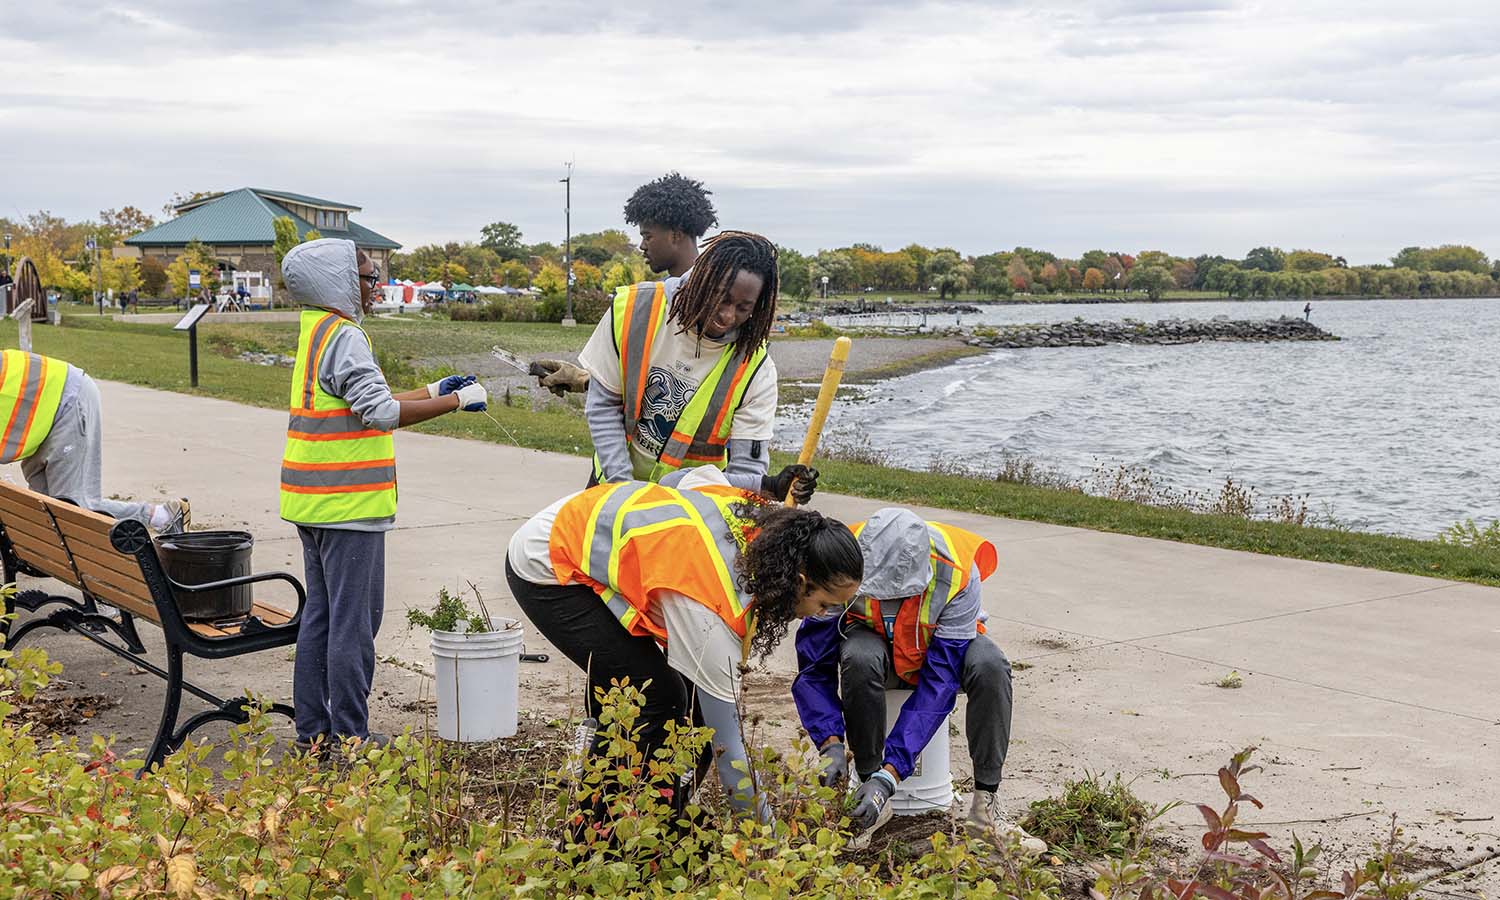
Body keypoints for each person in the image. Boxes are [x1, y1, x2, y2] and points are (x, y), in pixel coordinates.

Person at [505, 466, 863, 818]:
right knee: (652, 697)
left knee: (687, 702)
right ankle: (596, 834)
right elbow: (728, 750)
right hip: (549, 564)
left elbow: (680, 479)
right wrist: (764, 843)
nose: (819, 616)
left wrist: (767, 484)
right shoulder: (710, 611)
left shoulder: (765, 524)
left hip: (589, 524)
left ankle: (662, 818)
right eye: (823, 605)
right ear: (800, 581)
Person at [278, 238, 489, 751]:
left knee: (321, 621)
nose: (376, 287)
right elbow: (382, 414)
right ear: (340, 282)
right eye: (370, 278)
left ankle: (314, 735)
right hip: (349, 506)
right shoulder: (346, 336)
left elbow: (369, 401)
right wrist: (459, 401)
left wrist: (434, 390)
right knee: (354, 628)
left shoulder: (317, 329)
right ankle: (352, 739)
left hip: (312, 503)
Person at [791, 507, 1046, 853]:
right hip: (875, 648)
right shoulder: (841, 560)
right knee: (859, 658)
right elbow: (815, 666)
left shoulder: (957, 573)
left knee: (991, 666)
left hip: (938, 649)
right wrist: (830, 742)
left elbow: (938, 684)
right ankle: (868, 797)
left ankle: (986, 809)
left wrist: (891, 774)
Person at [545, 232, 815, 504]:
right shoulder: (633, 310)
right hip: (612, 486)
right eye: (721, 299)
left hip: (691, 507)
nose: (728, 316)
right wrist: (623, 493)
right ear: (700, 281)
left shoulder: (756, 368)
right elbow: (603, 406)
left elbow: (746, 468)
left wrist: (767, 489)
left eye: (744, 308)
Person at [1, 350, 188, 532]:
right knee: (45, 511)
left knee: (70, 512)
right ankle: (162, 516)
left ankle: (162, 517)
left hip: (66, 402)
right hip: (41, 415)